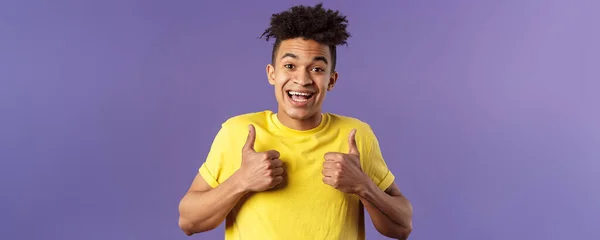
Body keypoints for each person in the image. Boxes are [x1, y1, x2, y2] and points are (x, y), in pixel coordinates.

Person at [178, 3, 413, 239]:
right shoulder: (238, 133)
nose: (302, 79)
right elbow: (188, 221)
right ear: (272, 73)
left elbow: (402, 227)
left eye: (317, 69)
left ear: (331, 80)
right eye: (290, 66)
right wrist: (241, 181)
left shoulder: (356, 135)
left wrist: (364, 186)